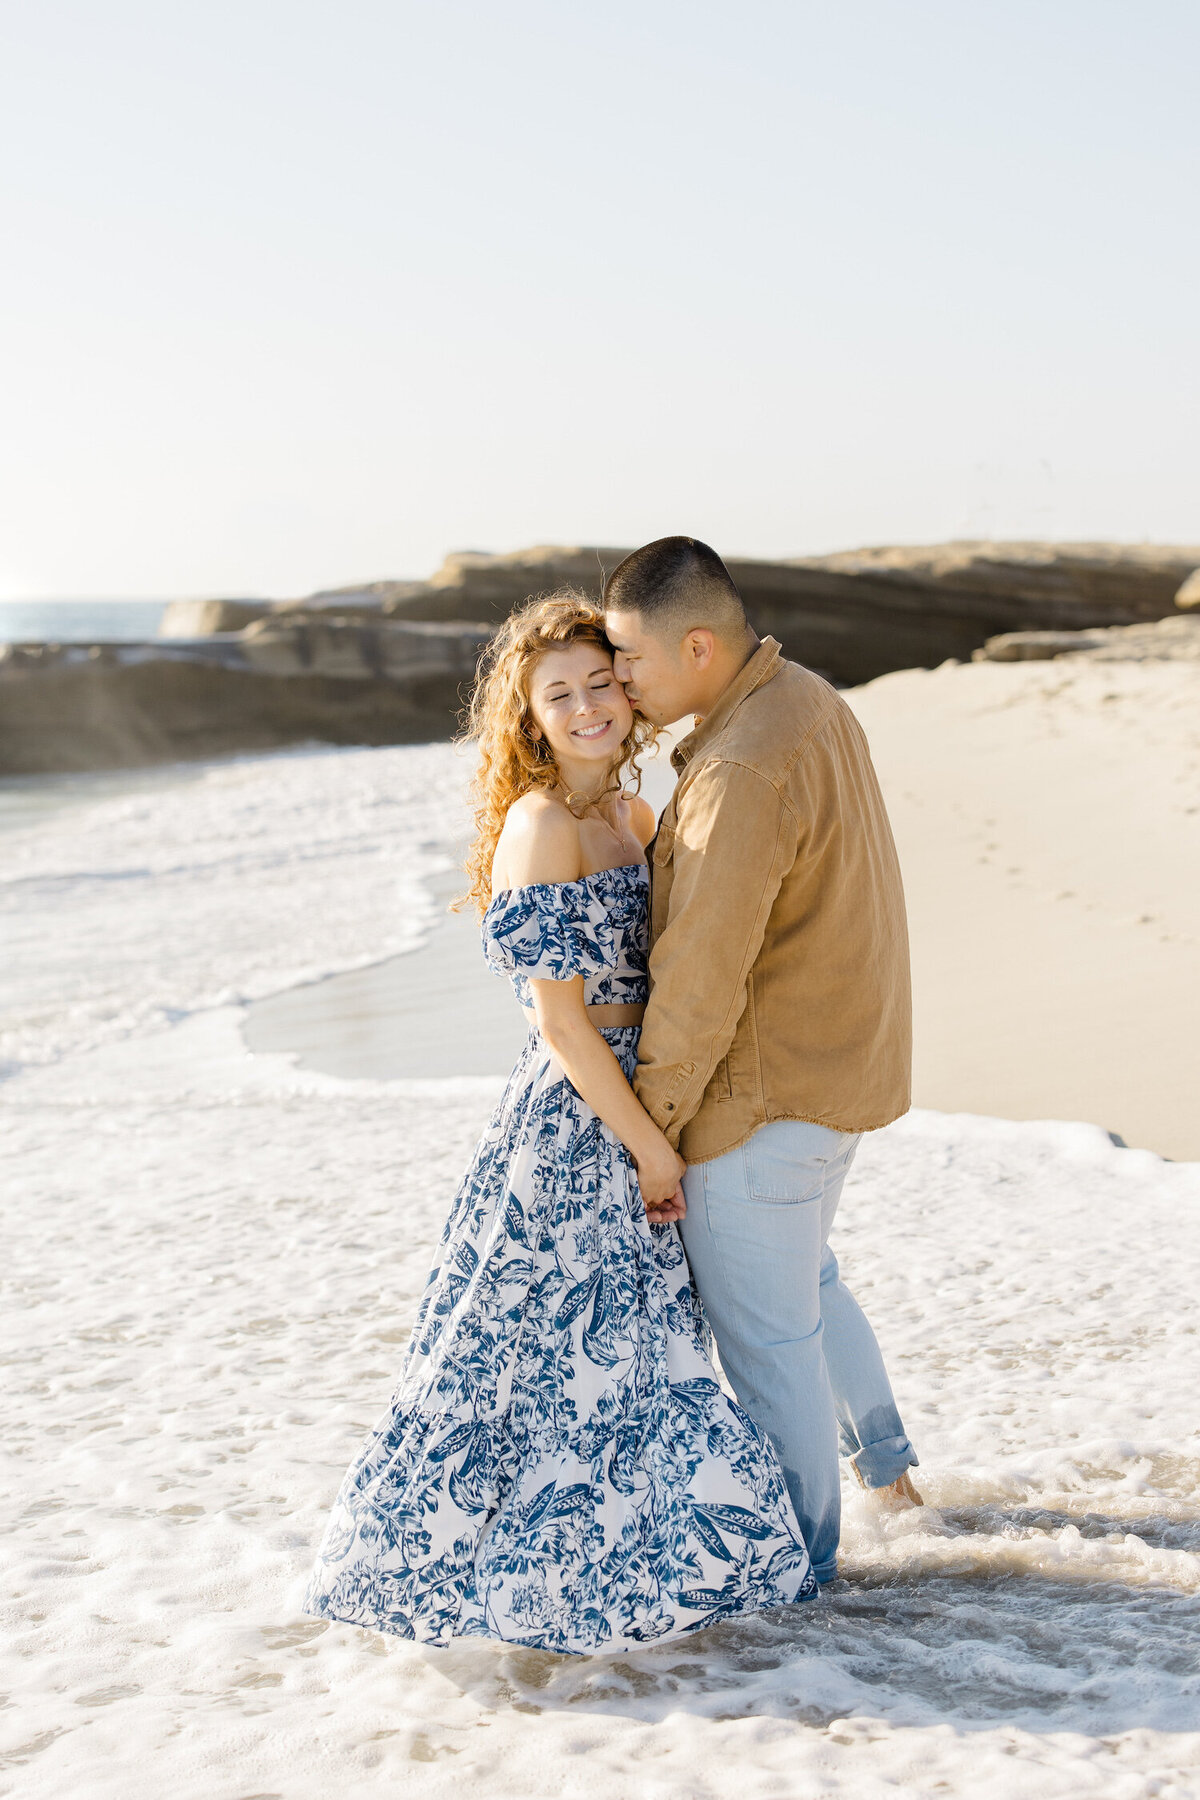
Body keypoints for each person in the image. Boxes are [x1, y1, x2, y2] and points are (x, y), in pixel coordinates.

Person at [303, 592, 818, 1654]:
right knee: (528, 1362)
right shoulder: (539, 828)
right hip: (579, 1122)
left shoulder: (632, 818)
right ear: (528, 717)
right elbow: (560, 1025)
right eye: (559, 695)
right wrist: (650, 1145)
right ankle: (518, 1603)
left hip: (655, 1096)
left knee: (641, 1361)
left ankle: (654, 1589)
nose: (587, 708)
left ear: (628, 694)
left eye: (599, 684)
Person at [603, 536, 922, 1587]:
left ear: (698, 645)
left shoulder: (739, 764)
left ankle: (806, 1577)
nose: (622, 683)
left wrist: (644, 1130)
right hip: (834, 1080)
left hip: (759, 1102)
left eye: (632, 662)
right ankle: (888, 1475)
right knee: (811, 1285)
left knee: (769, 1341)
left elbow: (698, 981)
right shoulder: (809, 698)